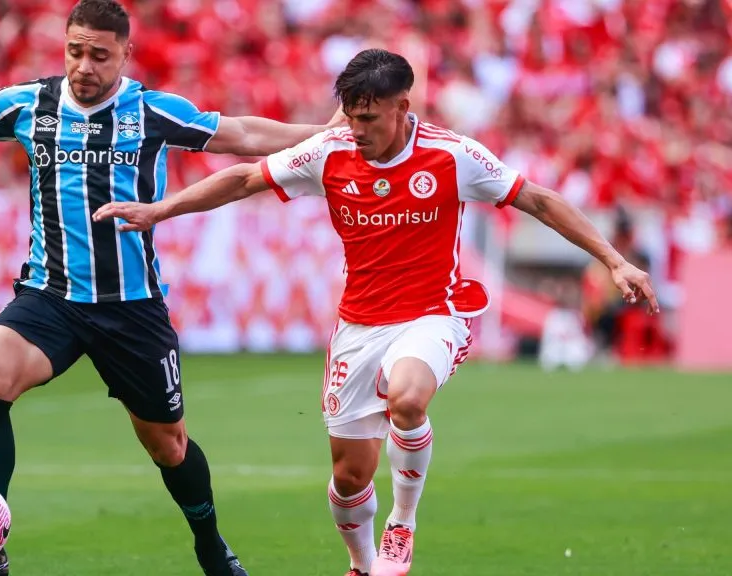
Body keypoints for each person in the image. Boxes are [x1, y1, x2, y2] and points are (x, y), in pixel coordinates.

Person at [0, 1, 342, 574]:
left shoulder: (149, 112)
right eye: (76, 51)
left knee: (168, 445)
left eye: (100, 55)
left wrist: (321, 135)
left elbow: (240, 132)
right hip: (50, 296)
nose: (84, 66)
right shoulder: (30, 104)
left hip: (131, 307)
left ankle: (209, 545)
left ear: (125, 54)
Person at [93, 49, 659, 576]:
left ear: (401, 107)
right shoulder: (330, 152)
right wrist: (161, 210)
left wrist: (614, 261)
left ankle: (402, 524)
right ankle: (364, 564)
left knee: (407, 396)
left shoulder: (452, 155)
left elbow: (537, 197)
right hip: (358, 327)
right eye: (350, 116)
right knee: (347, 479)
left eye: (368, 117)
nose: (355, 130)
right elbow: (244, 177)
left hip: (433, 313)